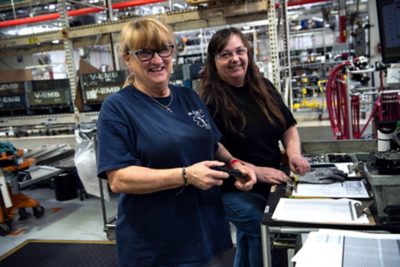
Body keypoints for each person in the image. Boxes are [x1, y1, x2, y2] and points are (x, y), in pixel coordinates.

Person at [96, 18, 257, 267]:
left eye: (163, 49)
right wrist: (185, 176)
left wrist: (235, 163)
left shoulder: (188, 96)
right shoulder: (117, 107)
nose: (158, 60)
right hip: (158, 245)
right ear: (128, 59)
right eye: (145, 53)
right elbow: (119, 178)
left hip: (207, 231)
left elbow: (212, 143)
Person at [199, 27, 311, 267]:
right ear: (214, 61)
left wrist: (294, 155)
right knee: (263, 231)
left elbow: (288, 127)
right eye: (225, 54)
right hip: (231, 187)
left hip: (270, 184)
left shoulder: (264, 88)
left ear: (248, 53)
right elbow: (213, 148)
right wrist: (257, 172)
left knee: (250, 239)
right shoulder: (209, 101)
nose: (235, 59)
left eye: (240, 51)